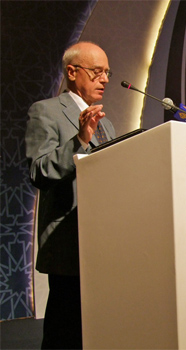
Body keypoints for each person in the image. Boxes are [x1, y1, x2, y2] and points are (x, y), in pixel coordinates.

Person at [25, 41, 116, 349]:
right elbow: (38, 171)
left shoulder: (108, 122)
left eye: (107, 72)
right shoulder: (46, 111)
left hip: (106, 244)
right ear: (72, 72)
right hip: (70, 245)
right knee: (65, 333)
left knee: (101, 330)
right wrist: (79, 140)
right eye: (97, 71)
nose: (104, 79)